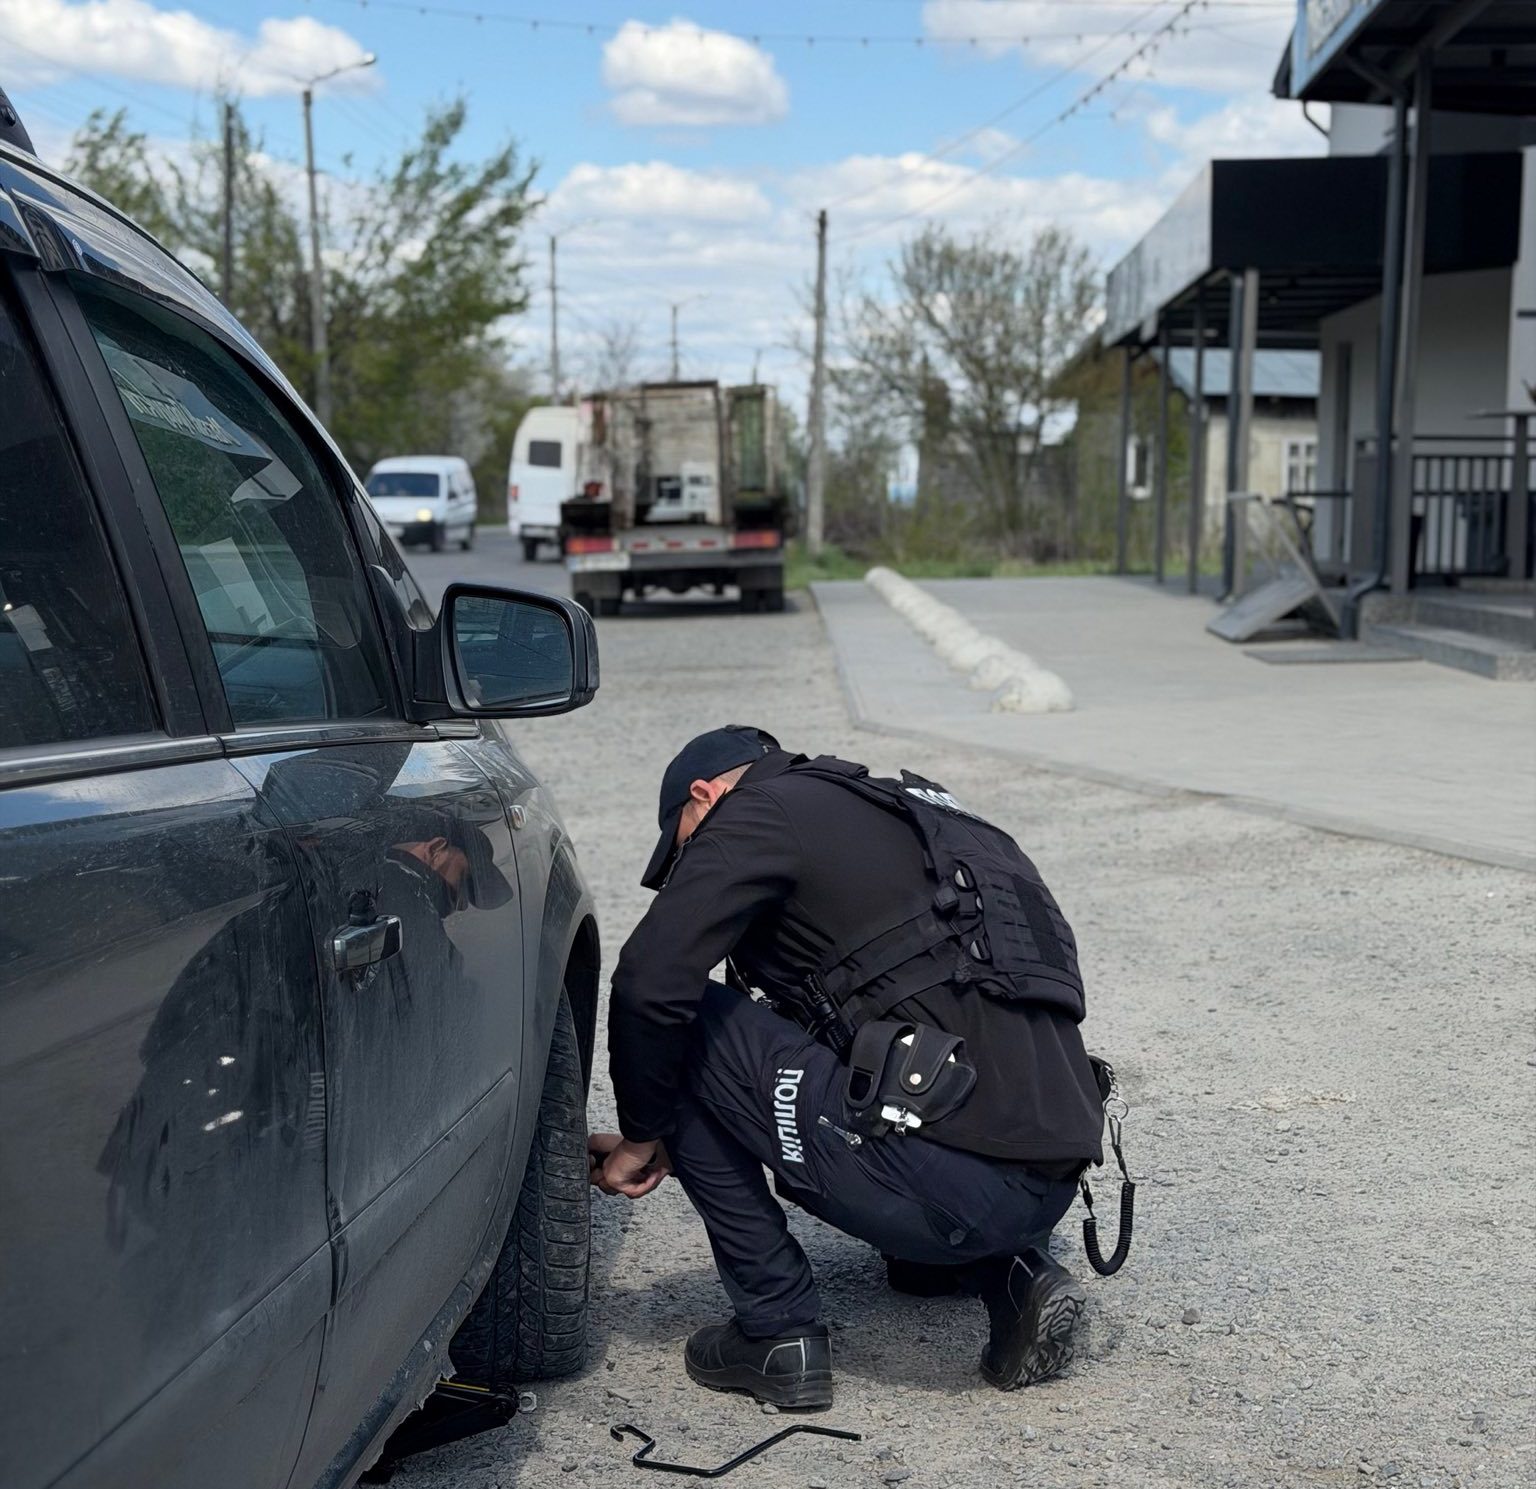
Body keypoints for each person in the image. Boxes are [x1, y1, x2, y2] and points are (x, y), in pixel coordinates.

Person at [590, 726, 1107, 1409]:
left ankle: (776, 1328)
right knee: (840, 1026)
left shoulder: (760, 809)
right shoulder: (921, 814)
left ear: (705, 795)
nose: (687, 866)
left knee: (681, 1018)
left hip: (950, 1186)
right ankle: (1008, 1272)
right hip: (1047, 1182)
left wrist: (641, 1134)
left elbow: (649, 984)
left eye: (683, 848)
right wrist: (684, 1133)